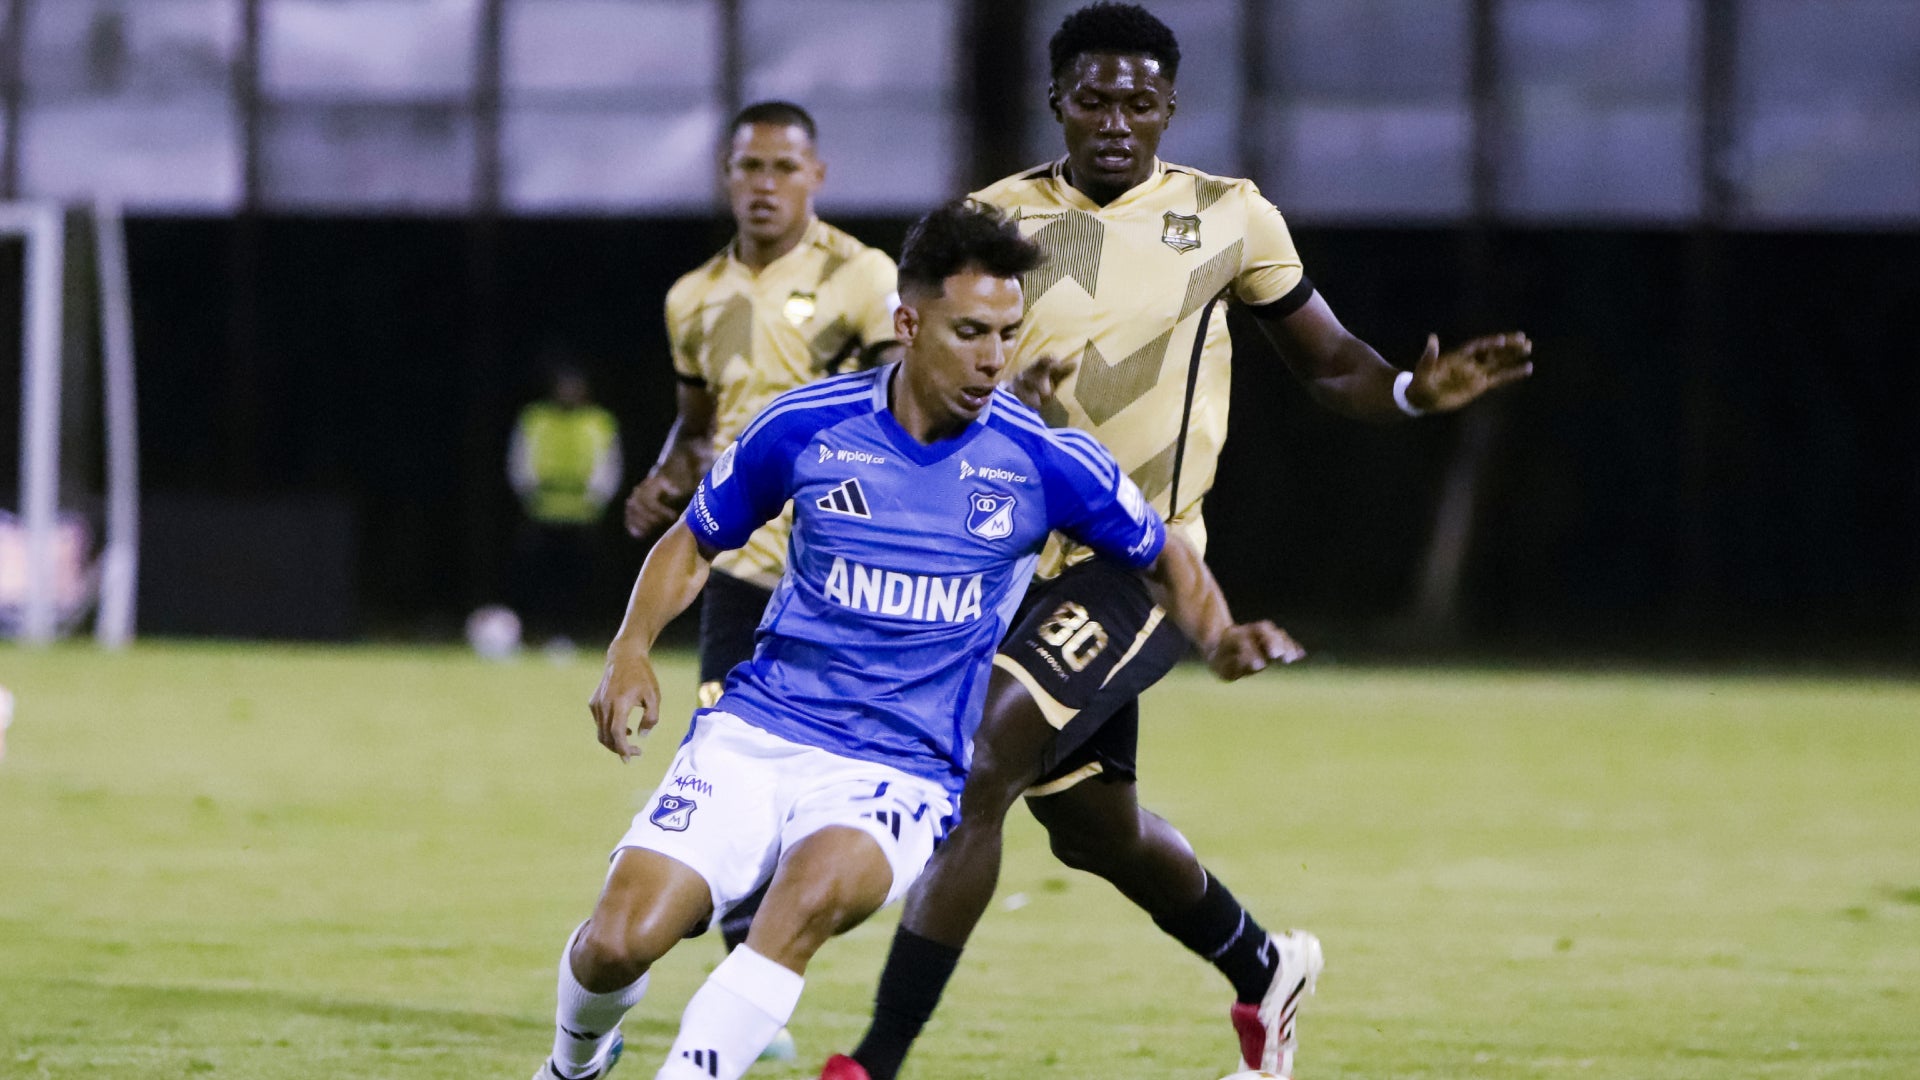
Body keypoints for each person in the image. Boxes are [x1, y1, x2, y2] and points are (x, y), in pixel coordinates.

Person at [821, 6, 1536, 1080]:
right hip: (994, 563)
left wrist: (1407, 391)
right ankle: (1264, 969)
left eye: (1139, 102)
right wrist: (995, 398)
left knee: (979, 767)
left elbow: (1330, 362)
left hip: (1142, 563)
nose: (1117, 120)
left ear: (1169, 109)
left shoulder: (1229, 216)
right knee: (1093, 829)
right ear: (1058, 102)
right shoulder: (990, 221)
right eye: (1095, 100)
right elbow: (916, 379)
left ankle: (875, 1062)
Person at [529, 201, 1301, 1080]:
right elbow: (693, 541)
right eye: (969, 332)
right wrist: (630, 648)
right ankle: (572, 1064)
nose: (993, 357)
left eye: (1006, 333)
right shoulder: (806, 426)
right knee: (616, 944)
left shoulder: (1043, 459)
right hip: (757, 733)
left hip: (897, 770)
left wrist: (1219, 633)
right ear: (907, 325)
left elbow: (1165, 555)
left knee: (795, 914)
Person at [619, 102, 902, 1033]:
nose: (765, 184)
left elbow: (906, 407)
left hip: (843, 575)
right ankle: (750, 989)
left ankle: (770, 955)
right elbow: (696, 425)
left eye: (784, 166)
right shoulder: (692, 296)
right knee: (720, 757)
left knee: (826, 779)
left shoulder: (862, 276)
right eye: (750, 167)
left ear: (817, 174)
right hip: (740, 565)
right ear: (727, 175)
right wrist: (666, 477)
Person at [509, 363, 623, 646]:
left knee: (580, 581)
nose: (568, 392)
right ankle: (538, 632)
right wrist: (529, 496)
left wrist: (597, 500)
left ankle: (576, 634)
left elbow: (609, 466)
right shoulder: (536, 418)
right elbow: (520, 461)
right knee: (538, 579)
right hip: (542, 513)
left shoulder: (598, 421)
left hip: (584, 516)